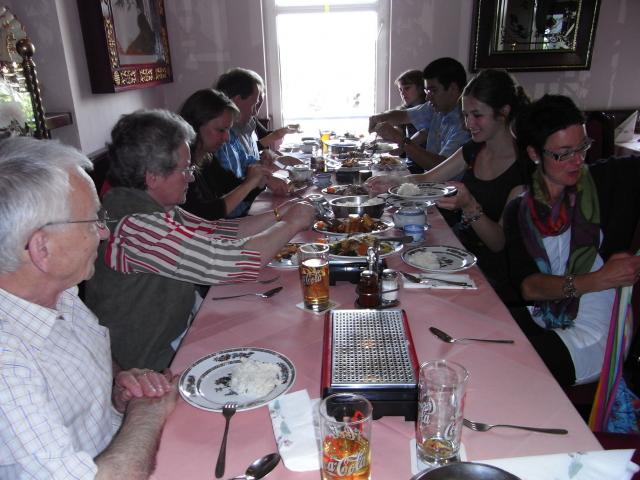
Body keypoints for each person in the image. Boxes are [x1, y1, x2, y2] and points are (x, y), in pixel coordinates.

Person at [84, 109, 315, 372]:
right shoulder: (135, 226)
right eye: (186, 169)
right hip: (151, 365)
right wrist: (292, 223)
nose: (192, 177)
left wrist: (280, 213)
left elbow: (221, 232)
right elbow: (231, 263)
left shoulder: (153, 206)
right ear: (153, 176)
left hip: (180, 333)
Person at [0, 137, 177, 478]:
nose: (103, 233)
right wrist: (146, 413)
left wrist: (119, 388)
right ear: (42, 248)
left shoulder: (60, 293)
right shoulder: (6, 365)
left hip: (130, 452)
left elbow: (90, 372)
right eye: (92, 221)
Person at [504, 94, 640, 386]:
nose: (579, 160)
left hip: (600, 333)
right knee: (480, 332)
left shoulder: (610, 180)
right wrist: (596, 279)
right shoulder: (521, 209)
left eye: (583, 147)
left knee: (505, 369)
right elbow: (530, 287)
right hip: (550, 313)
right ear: (535, 154)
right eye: (564, 153)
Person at [368, 69, 532, 304]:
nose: (469, 124)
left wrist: (470, 206)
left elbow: (498, 243)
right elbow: (429, 178)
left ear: (503, 112)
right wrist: (391, 182)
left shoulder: (523, 170)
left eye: (477, 115)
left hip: (492, 272)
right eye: (465, 115)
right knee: (391, 267)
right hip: (457, 249)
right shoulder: (474, 149)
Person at [179, 88, 270, 219]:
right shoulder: (181, 168)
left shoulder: (207, 158)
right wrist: (249, 184)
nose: (227, 138)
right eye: (221, 130)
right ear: (195, 127)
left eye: (228, 130)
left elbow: (232, 186)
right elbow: (204, 216)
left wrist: (261, 178)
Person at [368, 57, 471, 173]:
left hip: (448, 188)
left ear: (453, 89)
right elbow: (403, 115)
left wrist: (401, 140)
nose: (427, 97)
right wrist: (380, 117)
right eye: (427, 91)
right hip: (429, 181)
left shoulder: (466, 123)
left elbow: (441, 167)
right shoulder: (435, 107)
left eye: (433, 91)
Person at [214, 68, 298, 193]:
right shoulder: (223, 138)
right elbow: (231, 187)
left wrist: (277, 161)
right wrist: (265, 178)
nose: (255, 112)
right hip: (242, 207)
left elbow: (249, 164)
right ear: (236, 101)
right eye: (255, 104)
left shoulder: (246, 127)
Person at [394, 69, 428, 172]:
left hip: (425, 168)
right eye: (400, 90)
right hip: (409, 164)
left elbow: (421, 136)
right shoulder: (404, 111)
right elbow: (400, 143)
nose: (403, 93)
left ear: (421, 88)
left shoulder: (429, 110)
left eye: (407, 88)